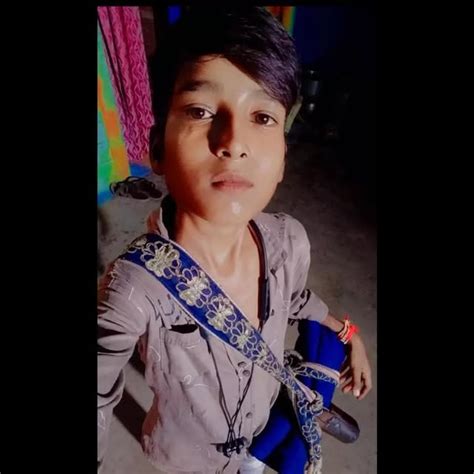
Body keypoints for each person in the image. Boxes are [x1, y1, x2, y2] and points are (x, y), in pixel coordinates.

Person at [98, 6, 372, 473]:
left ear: (283, 158)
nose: (233, 141)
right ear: (157, 148)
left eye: (262, 116)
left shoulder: (288, 241)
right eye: (201, 111)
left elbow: (296, 299)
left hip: (260, 431)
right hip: (187, 459)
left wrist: (349, 335)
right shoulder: (134, 290)